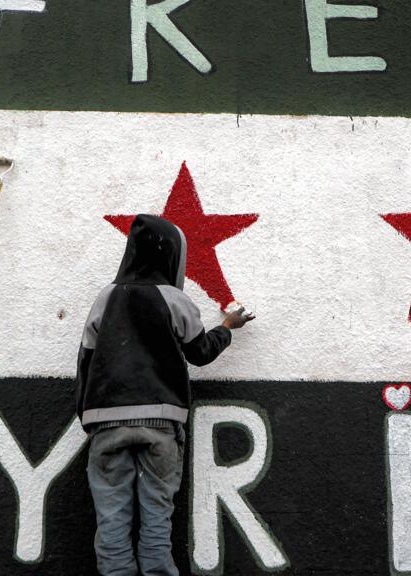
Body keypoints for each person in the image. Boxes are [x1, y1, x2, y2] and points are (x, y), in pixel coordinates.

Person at [76, 214, 254, 576]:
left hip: (105, 422)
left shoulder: (105, 298)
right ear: (171, 256)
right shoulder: (175, 299)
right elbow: (200, 352)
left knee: (111, 522)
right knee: (157, 521)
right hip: (161, 422)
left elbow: (85, 360)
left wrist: (87, 416)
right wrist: (227, 326)